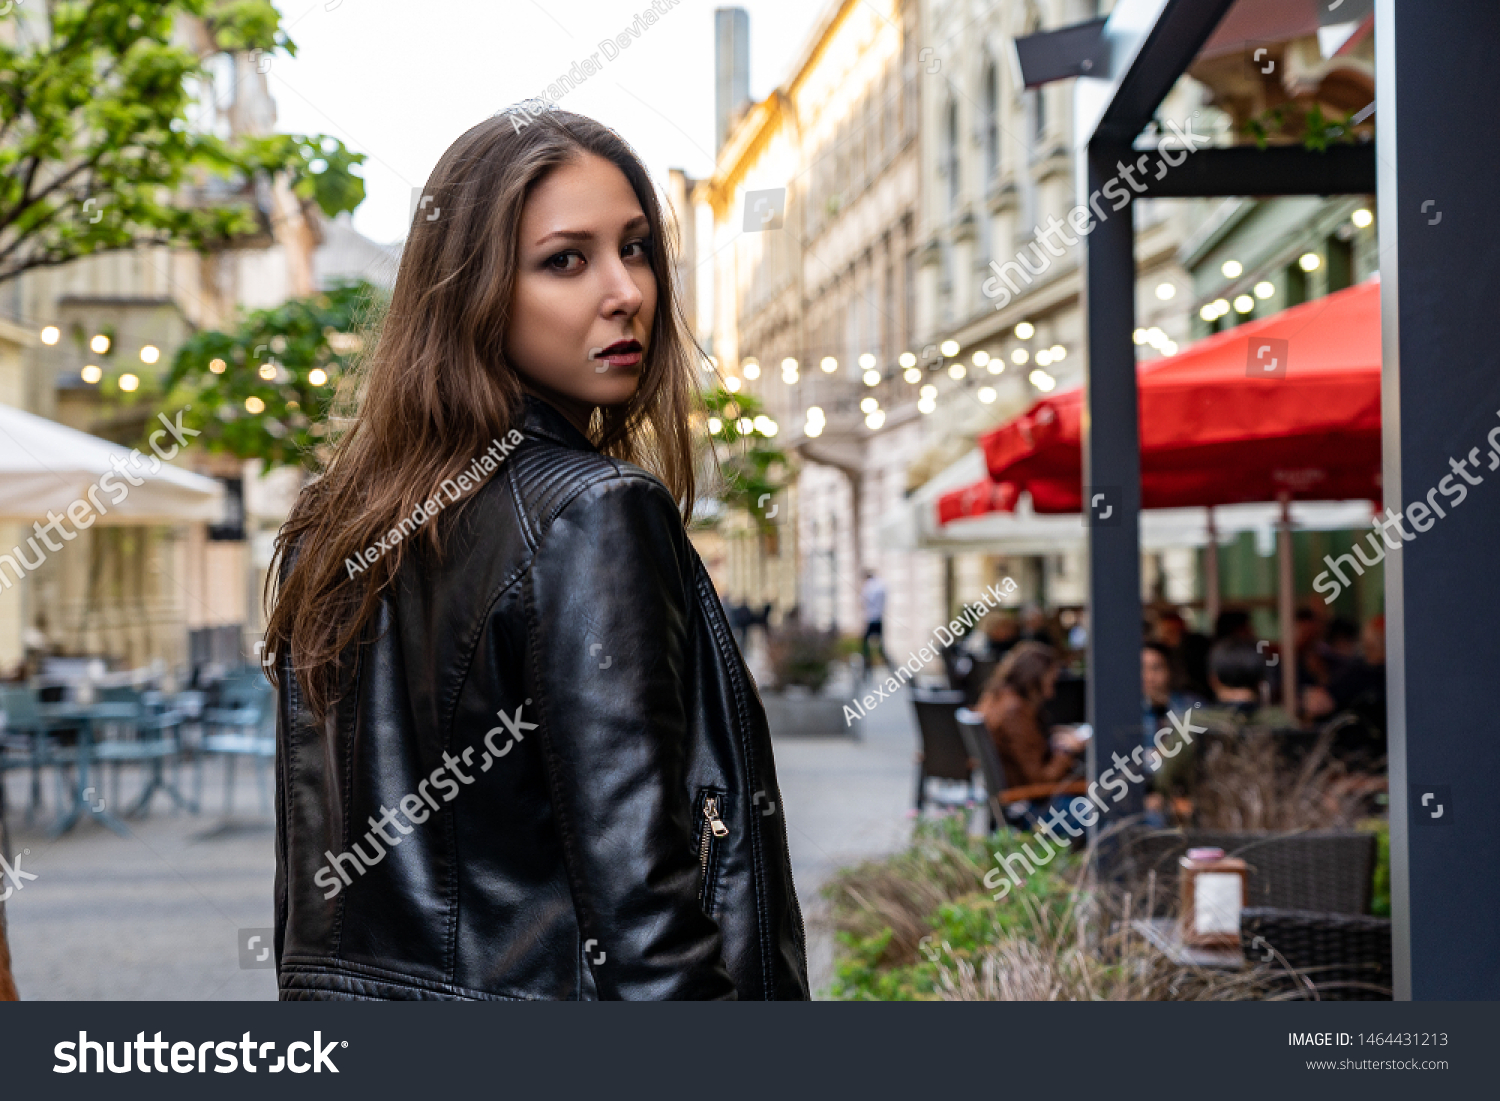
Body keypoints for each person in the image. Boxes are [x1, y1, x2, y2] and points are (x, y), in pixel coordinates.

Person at [265, 109, 807, 1001]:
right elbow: (648, 933)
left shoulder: (329, 534)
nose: (625, 290)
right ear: (473, 288)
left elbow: (309, 902)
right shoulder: (592, 515)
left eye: (635, 249)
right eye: (566, 259)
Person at [976, 643, 1087, 830]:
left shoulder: (997, 698)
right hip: (1029, 808)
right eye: (1051, 681)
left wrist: (1053, 735)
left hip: (1015, 801)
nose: (1052, 691)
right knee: (1103, 811)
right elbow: (1040, 782)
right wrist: (1068, 750)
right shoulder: (1015, 712)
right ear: (1035, 678)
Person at [860, 569, 887, 674]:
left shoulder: (869, 586)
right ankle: (884, 663)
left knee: (865, 645)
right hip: (879, 619)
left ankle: (867, 668)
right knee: (879, 646)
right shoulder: (881, 585)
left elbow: (863, 602)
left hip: (871, 619)